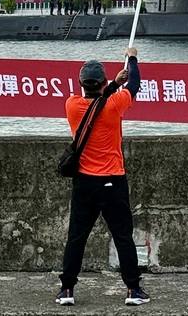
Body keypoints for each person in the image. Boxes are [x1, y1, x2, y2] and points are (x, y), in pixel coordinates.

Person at [57, 48, 149, 307]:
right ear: (104, 83)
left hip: (84, 182)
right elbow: (136, 84)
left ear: (81, 84)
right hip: (113, 181)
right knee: (122, 237)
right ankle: (133, 290)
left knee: (77, 237)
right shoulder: (115, 104)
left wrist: (112, 86)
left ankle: (66, 290)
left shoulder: (72, 105)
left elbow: (95, 105)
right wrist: (132, 58)